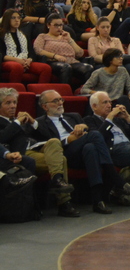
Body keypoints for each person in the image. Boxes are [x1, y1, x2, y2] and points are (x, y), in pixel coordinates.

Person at [33, 89, 130, 214]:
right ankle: (116, 180)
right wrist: (68, 139)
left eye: (61, 100)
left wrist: (83, 127)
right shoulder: (39, 123)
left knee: (91, 148)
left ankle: (97, 201)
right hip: (63, 153)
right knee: (95, 135)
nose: (60, 103)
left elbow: (87, 131)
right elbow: (46, 145)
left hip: (81, 152)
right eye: (55, 101)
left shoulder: (74, 116)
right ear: (44, 106)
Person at [0, 87, 77, 217]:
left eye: (14, 102)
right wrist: (17, 122)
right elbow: (2, 137)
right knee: (61, 160)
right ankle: (64, 203)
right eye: (8, 103)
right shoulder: (13, 122)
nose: (13, 106)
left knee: (54, 141)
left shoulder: (21, 120)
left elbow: (48, 135)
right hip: (21, 153)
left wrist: (33, 122)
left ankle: (57, 181)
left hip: (37, 147)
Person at [33, 13, 93, 85]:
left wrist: (70, 39)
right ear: (48, 25)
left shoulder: (66, 37)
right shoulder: (43, 36)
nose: (59, 28)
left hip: (71, 61)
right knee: (66, 67)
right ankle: (65, 90)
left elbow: (80, 53)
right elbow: (38, 50)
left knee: (88, 68)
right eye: (56, 25)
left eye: (61, 25)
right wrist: (55, 56)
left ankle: (85, 90)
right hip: (53, 61)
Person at [0, 10, 52, 84]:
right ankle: (15, 89)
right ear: (7, 19)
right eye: (13, 18)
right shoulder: (2, 35)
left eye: (18, 18)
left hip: (24, 61)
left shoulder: (24, 35)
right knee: (17, 67)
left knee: (46, 68)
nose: (17, 20)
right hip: (8, 61)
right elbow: (2, 55)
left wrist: (28, 60)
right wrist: (17, 60)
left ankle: (40, 90)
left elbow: (31, 53)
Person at [80, 48, 130, 115]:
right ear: (110, 60)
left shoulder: (123, 71)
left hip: (117, 102)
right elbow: (84, 89)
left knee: (127, 101)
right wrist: (98, 93)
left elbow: (129, 88)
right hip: (103, 102)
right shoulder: (98, 73)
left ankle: (126, 121)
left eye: (121, 56)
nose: (121, 58)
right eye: (118, 57)